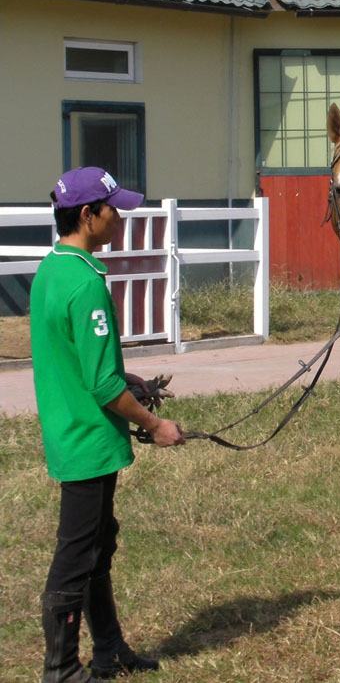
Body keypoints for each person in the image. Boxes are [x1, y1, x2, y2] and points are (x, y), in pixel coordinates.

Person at [30, 167, 186, 682]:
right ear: (87, 215)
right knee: (77, 553)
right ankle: (61, 669)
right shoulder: (86, 284)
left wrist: (127, 377)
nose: (119, 216)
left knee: (97, 545)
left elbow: (78, 361)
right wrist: (154, 423)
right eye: (111, 208)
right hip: (88, 441)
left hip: (69, 432)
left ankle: (109, 650)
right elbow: (101, 386)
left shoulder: (52, 270)